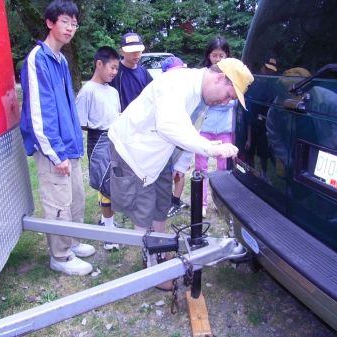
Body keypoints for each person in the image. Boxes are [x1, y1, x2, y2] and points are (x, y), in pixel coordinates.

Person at [108, 58, 254, 289]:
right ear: (219, 78)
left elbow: (191, 130)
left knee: (161, 204)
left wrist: (183, 162)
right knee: (143, 210)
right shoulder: (177, 83)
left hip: (159, 155)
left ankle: (159, 251)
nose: (226, 102)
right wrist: (210, 148)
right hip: (134, 152)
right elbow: (170, 124)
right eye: (229, 95)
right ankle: (150, 267)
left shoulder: (200, 97)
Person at [20, 1, 95, 276]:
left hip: (69, 146)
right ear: (50, 23)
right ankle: (60, 256)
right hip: (53, 149)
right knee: (58, 202)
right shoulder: (37, 59)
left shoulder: (61, 59)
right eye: (65, 21)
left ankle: (72, 242)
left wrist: (71, 147)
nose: (70, 28)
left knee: (75, 197)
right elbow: (39, 112)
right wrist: (55, 153)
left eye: (74, 24)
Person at [76, 46, 121, 251]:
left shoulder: (112, 91)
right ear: (99, 64)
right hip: (98, 139)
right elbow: (80, 122)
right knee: (106, 184)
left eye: (117, 69)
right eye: (112, 67)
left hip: (115, 139)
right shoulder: (87, 91)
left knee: (115, 181)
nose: (114, 72)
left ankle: (107, 222)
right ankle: (108, 233)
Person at [195, 36, 236, 218]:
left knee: (224, 167)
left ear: (227, 55)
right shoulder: (204, 74)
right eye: (214, 55)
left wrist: (219, 100)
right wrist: (220, 100)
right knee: (201, 166)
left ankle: (221, 202)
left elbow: (234, 102)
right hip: (205, 127)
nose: (218, 59)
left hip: (226, 129)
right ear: (208, 56)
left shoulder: (234, 75)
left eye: (221, 55)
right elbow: (203, 100)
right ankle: (201, 202)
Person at [159, 57, 191, 218]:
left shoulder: (189, 93)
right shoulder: (161, 91)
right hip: (165, 140)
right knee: (165, 172)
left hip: (182, 139)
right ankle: (163, 201)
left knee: (180, 170)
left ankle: (176, 201)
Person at [246, 57, 278, 184]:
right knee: (250, 150)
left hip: (265, 124)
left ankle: (264, 174)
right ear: (262, 68)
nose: (268, 72)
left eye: (271, 70)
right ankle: (252, 173)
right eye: (267, 69)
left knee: (263, 152)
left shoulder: (272, 86)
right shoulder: (252, 83)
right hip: (251, 122)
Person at [110, 32, 153, 112]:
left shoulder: (143, 72)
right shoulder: (114, 72)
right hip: (120, 119)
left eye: (138, 50)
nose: (136, 54)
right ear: (122, 52)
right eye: (132, 51)